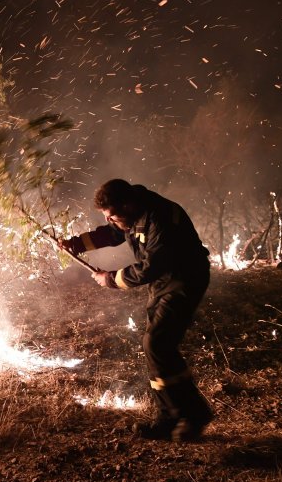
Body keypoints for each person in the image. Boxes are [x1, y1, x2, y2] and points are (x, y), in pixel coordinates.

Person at [60, 179, 213, 442]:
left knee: (157, 343)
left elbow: (150, 267)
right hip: (164, 282)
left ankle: (193, 414)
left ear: (127, 205)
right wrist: (77, 244)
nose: (112, 220)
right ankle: (170, 418)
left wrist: (110, 279)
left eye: (113, 215)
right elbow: (112, 233)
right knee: (156, 347)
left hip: (185, 279)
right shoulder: (132, 215)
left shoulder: (161, 218)